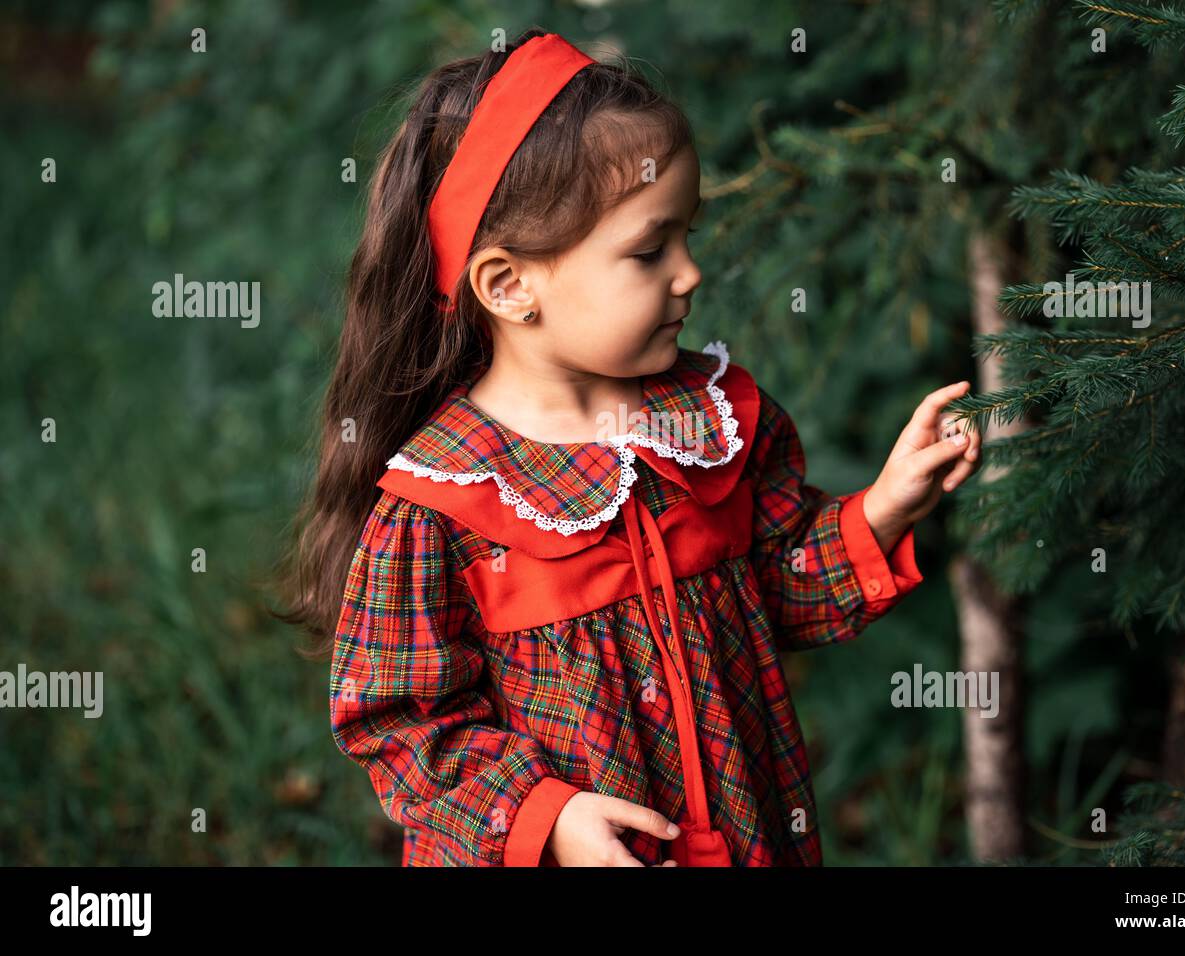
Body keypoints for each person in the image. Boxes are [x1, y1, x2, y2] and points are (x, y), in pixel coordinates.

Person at [282, 28, 982, 866]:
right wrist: (547, 817)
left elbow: (775, 589)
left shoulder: (711, 422)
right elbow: (398, 721)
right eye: (650, 251)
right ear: (510, 286)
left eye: (686, 237)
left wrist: (884, 507)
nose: (689, 274)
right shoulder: (444, 499)